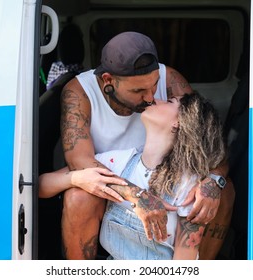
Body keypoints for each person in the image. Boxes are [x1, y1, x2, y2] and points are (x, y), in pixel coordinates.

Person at [58, 31, 234, 259]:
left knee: (224, 190)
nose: (151, 97)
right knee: (78, 197)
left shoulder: (170, 79)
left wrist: (213, 182)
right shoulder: (79, 92)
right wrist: (138, 196)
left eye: (154, 85)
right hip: (112, 184)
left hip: (170, 182)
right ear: (108, 81)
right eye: (138, 91)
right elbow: (80, 164)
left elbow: (207, 141)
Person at [40, 92, 226, 259]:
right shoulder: (118, 162)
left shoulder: (189, 186)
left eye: (169, 101)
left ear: (179, 123)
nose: (156, 98)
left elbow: (183, 264)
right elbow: (41, 185)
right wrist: (77, 179)